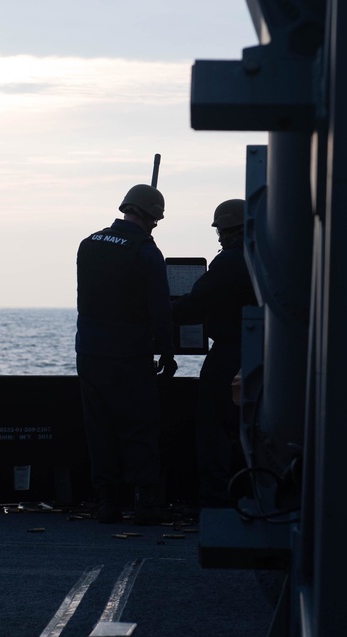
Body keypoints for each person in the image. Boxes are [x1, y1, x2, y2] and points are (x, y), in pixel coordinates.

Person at [75, 184, 177, 525]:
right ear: (151, 217)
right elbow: (159, 310)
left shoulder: (88, 243)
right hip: (130, 353)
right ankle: (145, 503)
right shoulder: (146, 252)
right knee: (139, 426)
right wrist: (167, 351)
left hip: (89, 352)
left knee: (98, 428)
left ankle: (106, 502)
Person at [171, 199, 256, 508]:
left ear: (228, 230)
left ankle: (215, 497)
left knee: (213, 427)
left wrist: (159, 313)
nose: (218, 237)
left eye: (220, 231)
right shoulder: (264, 257)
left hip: (230, 354)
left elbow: (197, 303)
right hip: (261, 354)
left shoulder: (231, 261)